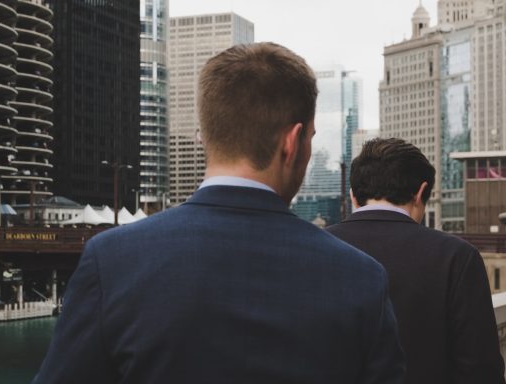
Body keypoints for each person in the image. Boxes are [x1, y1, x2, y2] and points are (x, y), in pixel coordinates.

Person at [33, 43, 404, 383]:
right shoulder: (360, 278)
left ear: (205, 137)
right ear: (292, 142)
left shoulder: (111, 260)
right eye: (310, 138)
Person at [327, 137, 505, 384]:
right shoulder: (456, 257)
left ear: (353, 196)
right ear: (421, 192)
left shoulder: (314, 250)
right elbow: (481, 370)